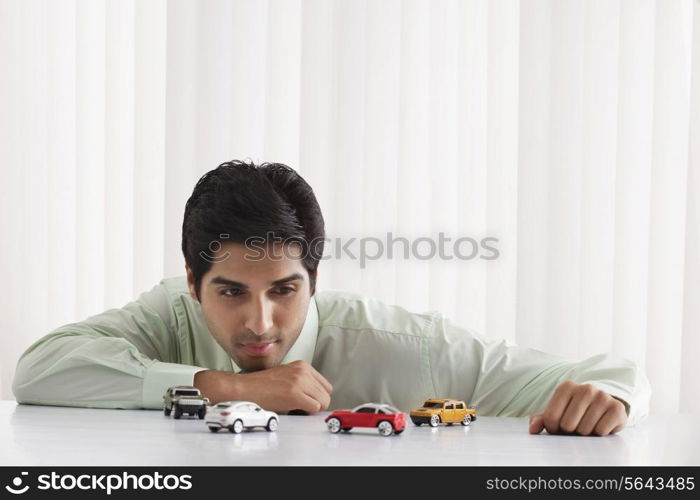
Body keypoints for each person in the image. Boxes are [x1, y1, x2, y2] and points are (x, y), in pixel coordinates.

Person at [12, 160, 650, 436]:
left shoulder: (403, 348)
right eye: (230, 292)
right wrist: (228, 387)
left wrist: (609, 397)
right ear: (191, 282)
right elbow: (38, 369)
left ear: (314, 281)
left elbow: (609, 375)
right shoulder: (166, 315)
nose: (260, 322)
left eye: (284, 291)